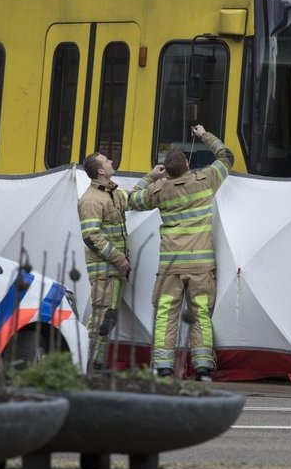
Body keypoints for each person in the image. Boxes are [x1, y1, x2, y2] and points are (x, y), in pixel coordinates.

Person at [127, 124, 233, 381]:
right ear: (187, 163)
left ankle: (163, 366)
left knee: (165, 313)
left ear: (168, 170)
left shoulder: (160, 189)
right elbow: (227, 157)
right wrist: (203, 135)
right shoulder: (206, 180)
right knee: (200, 313)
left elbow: (132, 199)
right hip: (200, 265)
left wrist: (153, 176)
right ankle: (203, 367)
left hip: (170, 266)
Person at [77, 152, 163, 371]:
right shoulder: (90, 200)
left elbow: (133, 198)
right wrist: (119, 259)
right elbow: (91, 237)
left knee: (108, 316)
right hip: (105, 270)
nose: (111, 162)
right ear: (100, 171)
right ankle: (87, 363)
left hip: (115, 270)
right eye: (107, 161)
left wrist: (152, 176)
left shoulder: (112, 194)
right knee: (101, 316)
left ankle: (96, 363)